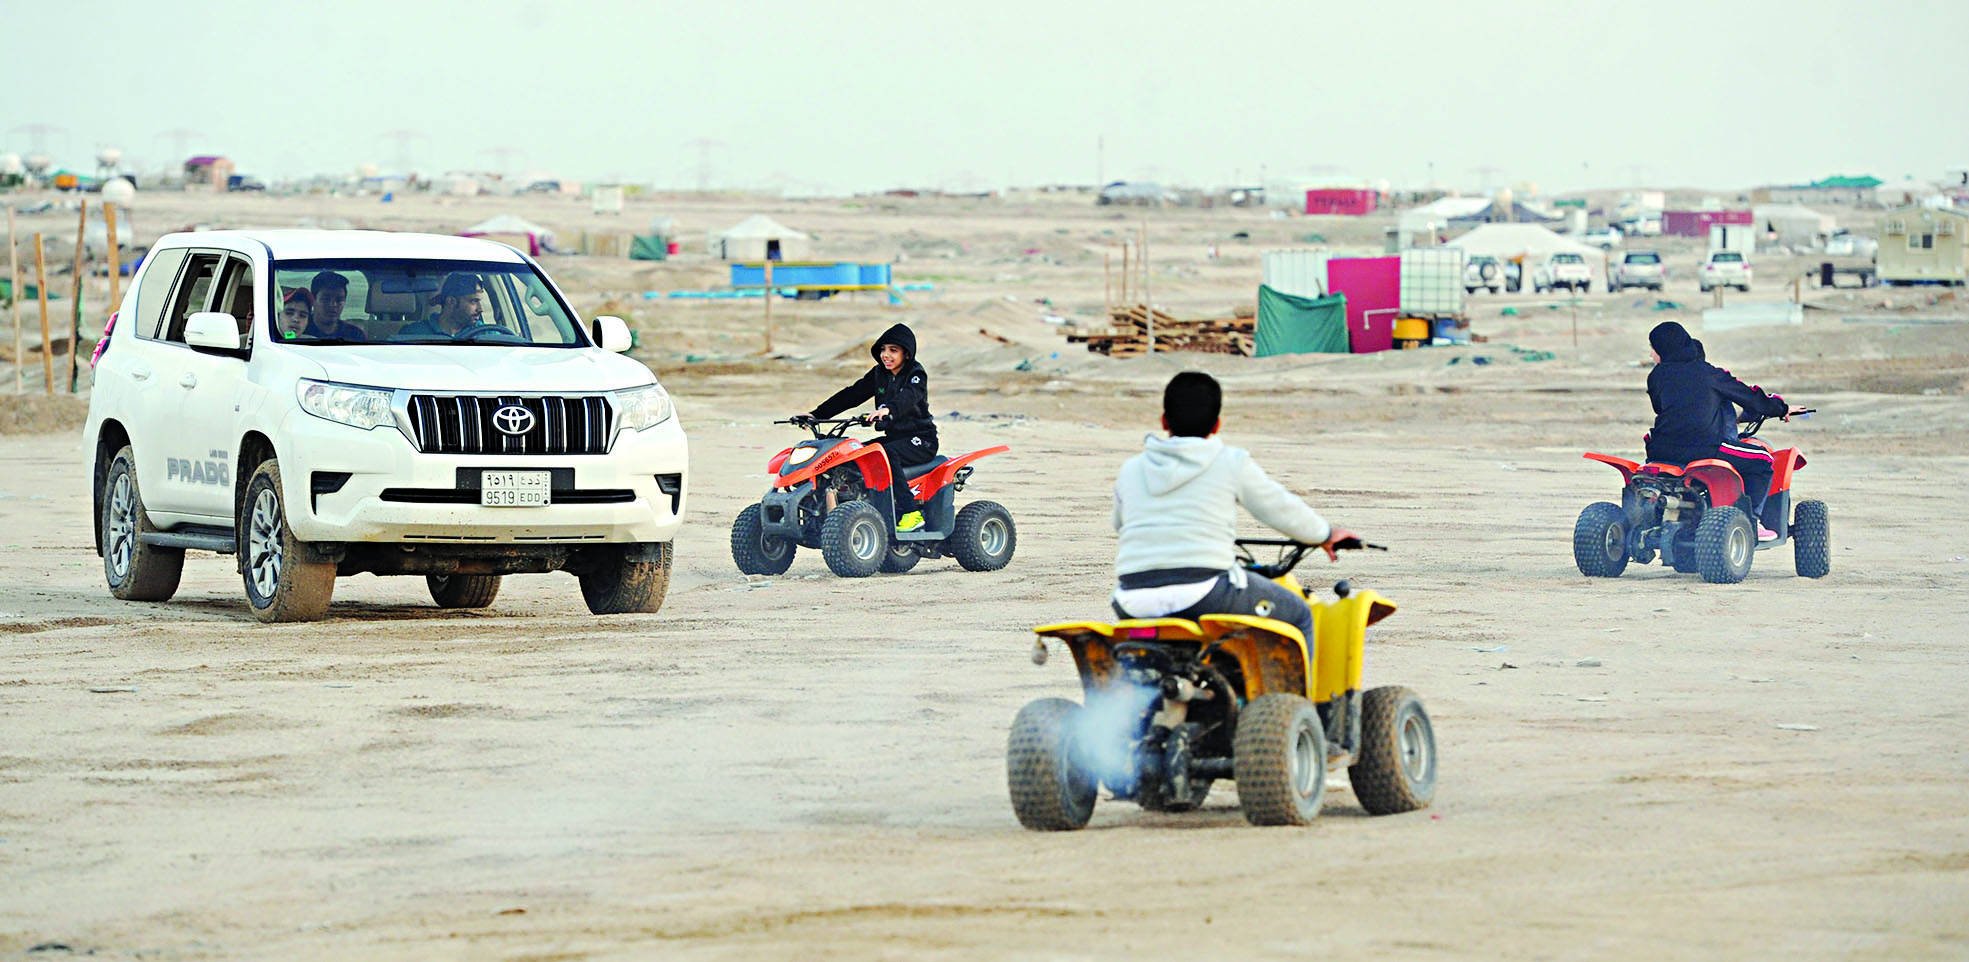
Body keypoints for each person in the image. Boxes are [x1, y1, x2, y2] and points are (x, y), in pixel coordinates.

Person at [1110, 371, 1356, 642]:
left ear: (1164, 421)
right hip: (1205, 591)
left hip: (1132, 598)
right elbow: (1279, 508)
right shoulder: (1229, 461)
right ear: (1217, 425)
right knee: (1299, 614)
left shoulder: (1131, 469)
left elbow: (1120, 523)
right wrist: (1325, 533)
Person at [1645, 321, 1807, 541]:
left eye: (1653, 348)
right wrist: (1782, 408)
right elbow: (1751, 397)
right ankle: (1751, 522)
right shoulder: (1710, 374)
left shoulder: (1656, 376)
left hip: (1660, 449)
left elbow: (1661, 408)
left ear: (1665, 348)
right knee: (1763, 460)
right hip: (1705, 448)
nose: (1651, 354)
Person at [797, 323, 936, 532]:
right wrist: (816, 415)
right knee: (858, 454)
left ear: (906, 354)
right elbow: (852, 394)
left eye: (893, 350)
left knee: (886, 454)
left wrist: (888, 410)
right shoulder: (880, 373)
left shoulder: (916, 374)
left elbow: (908, 397)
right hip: (895, 437)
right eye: (883, 349)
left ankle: (911, 513)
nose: (886, 355)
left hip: (921, 440)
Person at [397, 274, 484, 339]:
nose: (480, 309)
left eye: (479, 301)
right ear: (451, 301)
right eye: (474, 301)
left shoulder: (484, 333)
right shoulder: (413, 333)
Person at [304, 271, 367, 341]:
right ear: (313, 300)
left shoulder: (355, 335)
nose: (333, 305)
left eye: (339, 300)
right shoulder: (300, 329)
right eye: (326, 299)